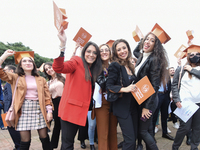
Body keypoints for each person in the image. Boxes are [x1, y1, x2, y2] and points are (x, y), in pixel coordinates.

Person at [52, 28, 102, 150]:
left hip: (84, 110)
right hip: (71, 110)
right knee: (68, 144)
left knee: (70, 143)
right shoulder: (77, 61)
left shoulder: (94, 69)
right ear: (84, 52)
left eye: (94, 53)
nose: (91, 54)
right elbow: (59, 68)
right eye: (89, 51)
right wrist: (62, 46)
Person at [0, 50, 53, 150]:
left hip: (39, 110)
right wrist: (5, 55)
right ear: (20, 65)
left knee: (44, 138)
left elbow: (47, 97)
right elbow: (1, 73)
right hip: (23, 112)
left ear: (33, 64)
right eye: (24, 61)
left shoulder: (41, 79)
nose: (28, 63)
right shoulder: (15, 77)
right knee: (25, 141)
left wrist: (49, 111)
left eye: (30, 61)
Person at [133, 24, 169, 150]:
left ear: (156, 45)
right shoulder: (142, 56)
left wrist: (146, 108)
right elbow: (135, 51)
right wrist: (142, 39)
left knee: (143, 131)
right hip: (141, 99)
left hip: (149, 102)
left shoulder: (154, 59)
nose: (148, 42)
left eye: (152, 40)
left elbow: (154, 86)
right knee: (147, 130)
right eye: (147, 39)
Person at [106, 39, 138, 150]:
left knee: (133, 139)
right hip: (122, 108)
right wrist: (125, 89)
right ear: (115, 52)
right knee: (130, 142)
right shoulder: (115, 65)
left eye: (124, 48)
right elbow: (109, 86)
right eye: (118, 49)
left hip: (133, 107)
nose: (122, 51)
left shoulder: (130, 65)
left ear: (128, 49)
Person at [172, 45, 200, 150]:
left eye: (197, 54)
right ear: (188, 56)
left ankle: (194, 147)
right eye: (192, 54)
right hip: (185, 104)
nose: (195, 56)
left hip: (199, 104)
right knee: (185, 128)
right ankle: (175, 146)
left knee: (197, 128)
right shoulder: (181, 70)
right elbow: (174, 85)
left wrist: (192, 70)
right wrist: (176, 99)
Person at [95, 44, 118, 150]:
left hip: (115, 101)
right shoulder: (96, 67)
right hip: (102, 101)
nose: (104, 52)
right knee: (103, 133)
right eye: (101, 50)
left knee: (113, 132)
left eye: (106, 50)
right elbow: (101, 83)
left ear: (110, 52)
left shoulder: (115, 65)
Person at [43, 62, 65, 150]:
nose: (49, 70)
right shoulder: (48, 83)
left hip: (64, 101)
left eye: (50, 67)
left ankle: (65, 145)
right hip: (55, 103)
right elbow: (48, 96)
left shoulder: (63, 76)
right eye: (46, 69)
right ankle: (52, 146)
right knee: (57, 125)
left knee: (65, 125)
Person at [3, 65, 21, 150]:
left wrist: (7, 110)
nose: (3, 71)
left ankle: (18, 146)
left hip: (9, 109)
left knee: (12, 128)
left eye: (5, 70)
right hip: (9, 108)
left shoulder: (10, 82)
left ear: (11, 71)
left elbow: (10, 96)